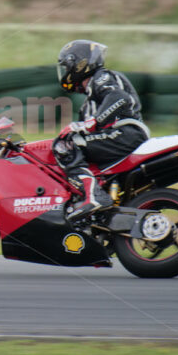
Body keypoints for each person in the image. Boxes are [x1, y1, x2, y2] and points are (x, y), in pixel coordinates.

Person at [54, 40, 150, 222]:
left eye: (66, 67)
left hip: (126, 133)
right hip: (115, 138)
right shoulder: (87, 103)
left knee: (64, 145)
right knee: (70, 145)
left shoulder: (102, 77)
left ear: (79, 64)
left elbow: (118, 98)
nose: (64, 72)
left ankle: (93, 197)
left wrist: (91, 123)